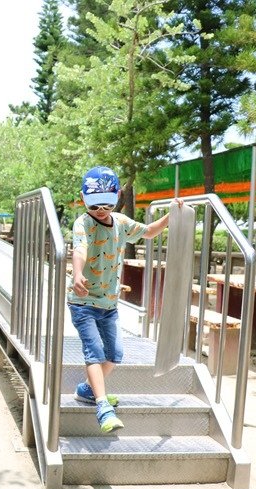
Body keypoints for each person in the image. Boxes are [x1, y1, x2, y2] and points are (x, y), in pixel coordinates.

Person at [68, 166, 182, 433]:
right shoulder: (83, 223)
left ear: (118, 196)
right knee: (94, 352)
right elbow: (80, 249)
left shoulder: (120, 222)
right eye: (95, 205)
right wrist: (77, 273)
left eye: (107, 204)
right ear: (83, 198)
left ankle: (86, 389)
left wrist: (171, 215)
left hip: (109, 305)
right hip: (83, 304)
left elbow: (150, 231)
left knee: (115, 355)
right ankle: (102, 406)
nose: (101, 211)